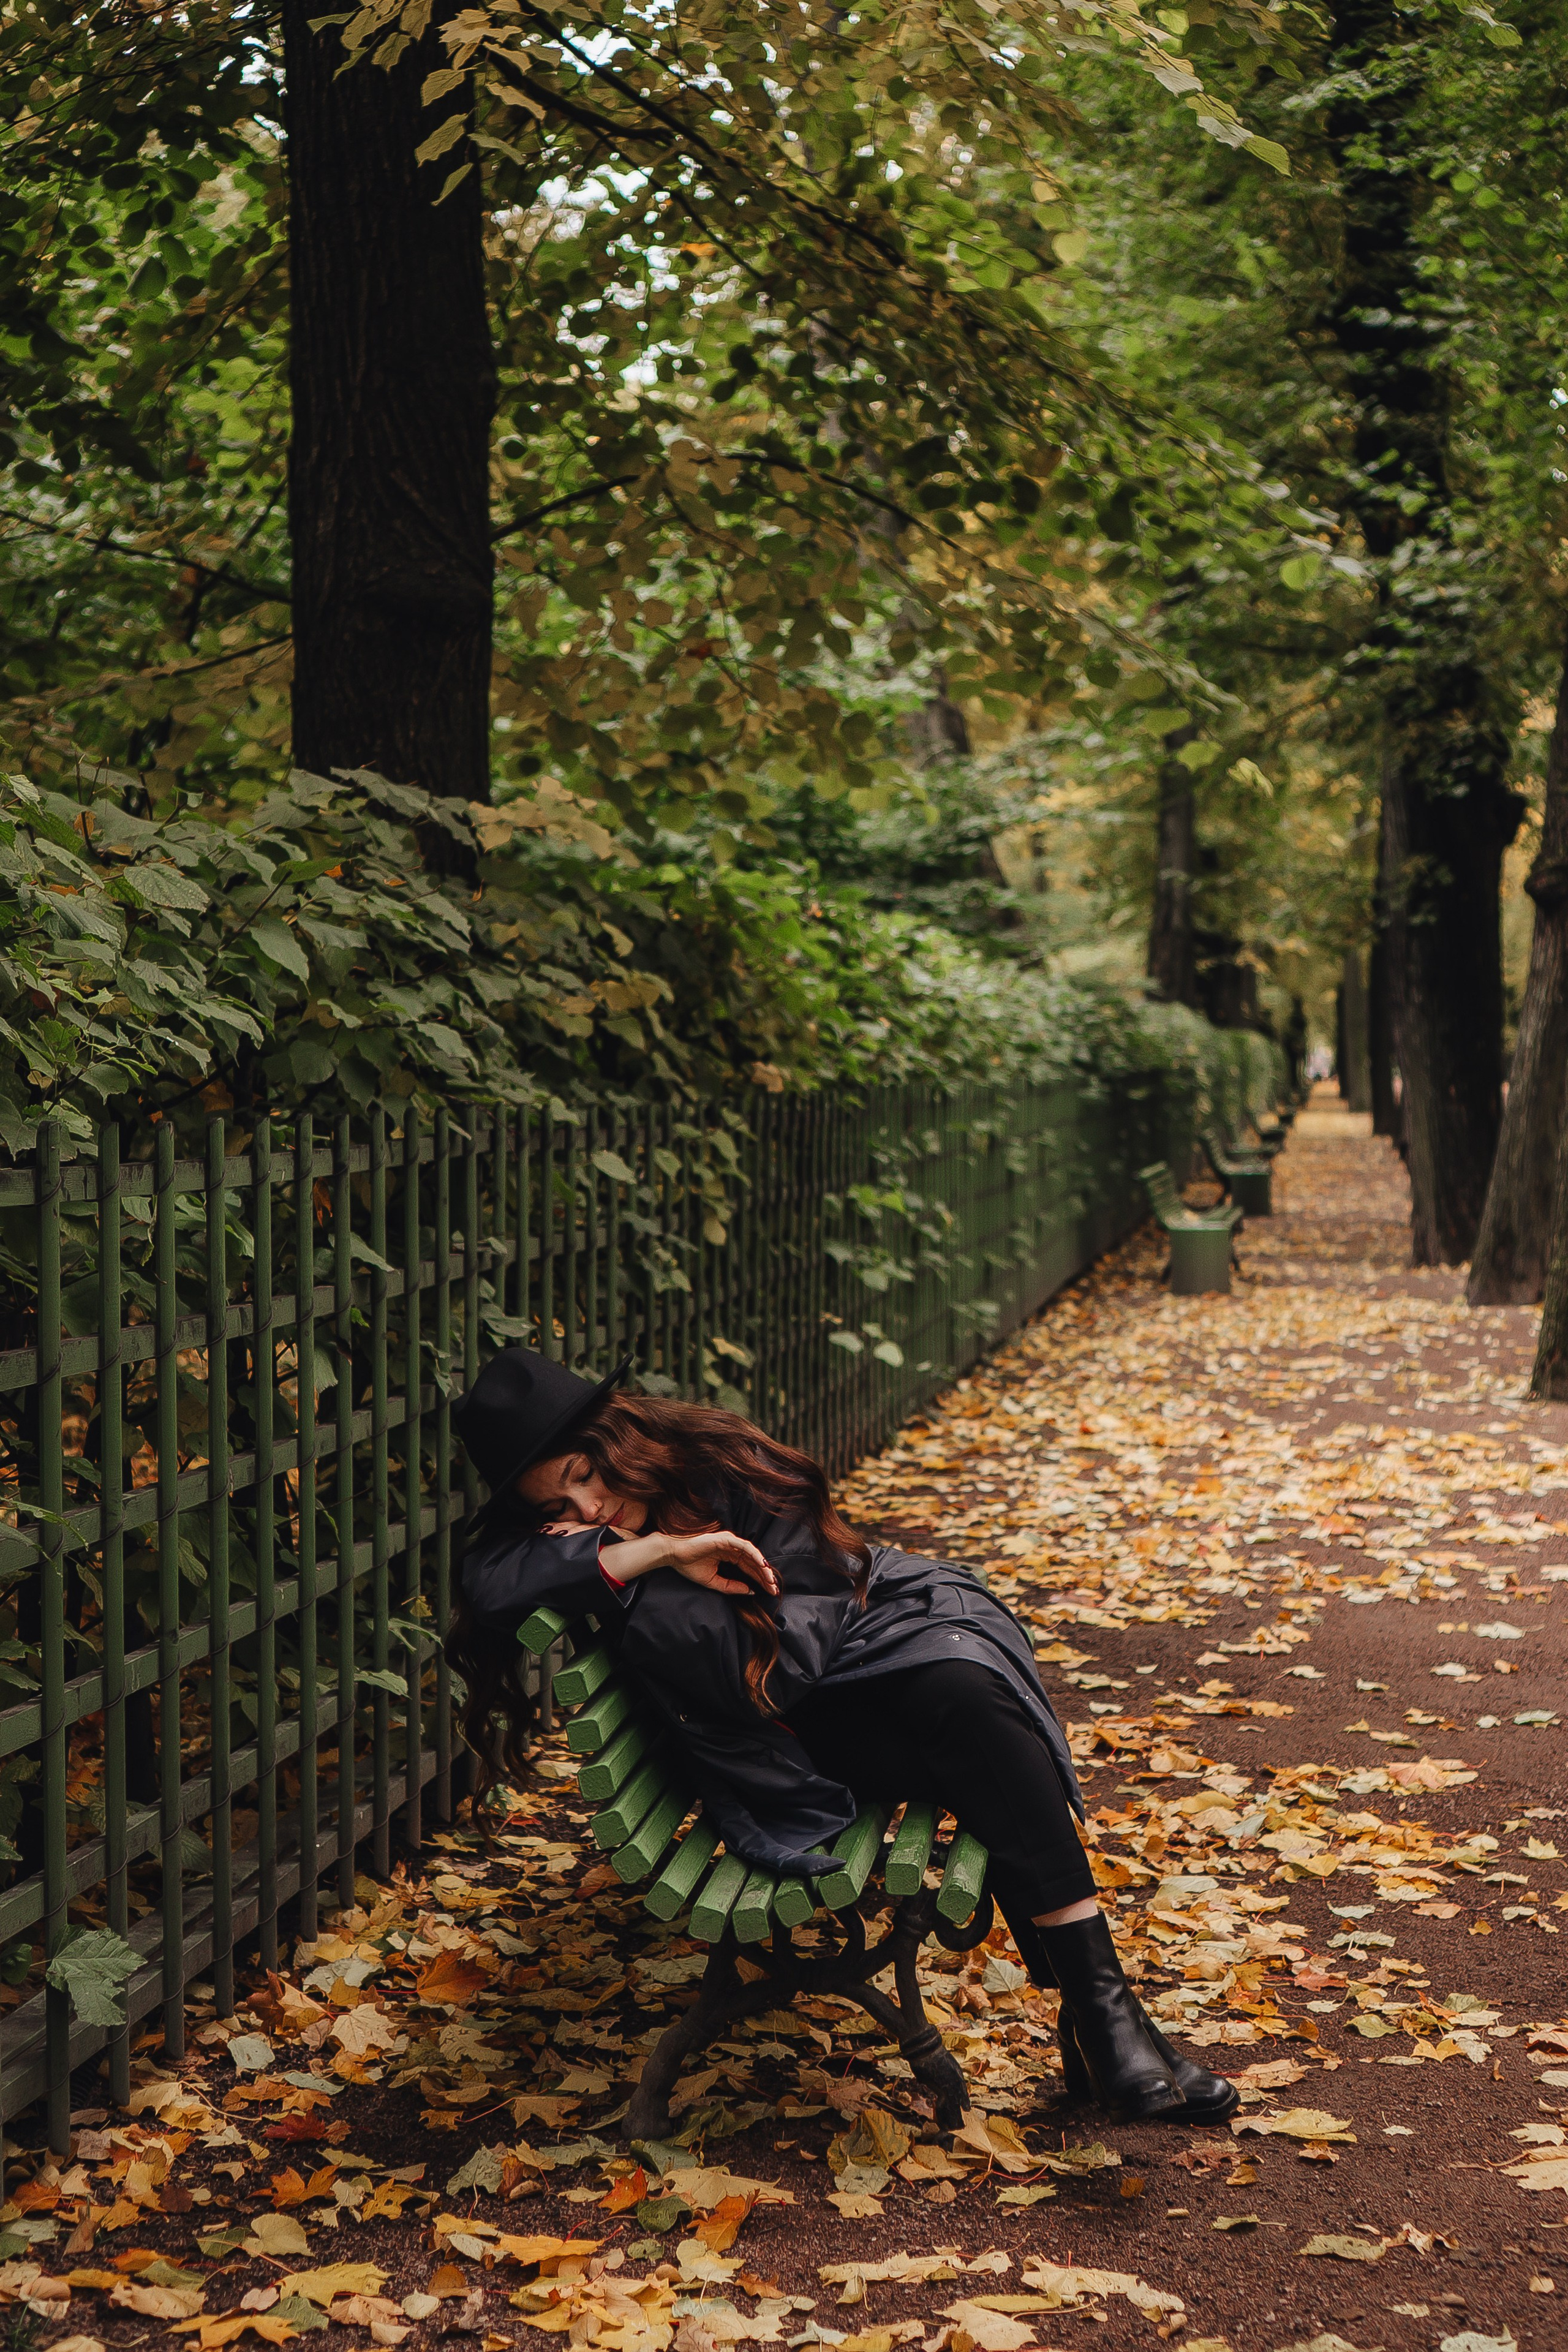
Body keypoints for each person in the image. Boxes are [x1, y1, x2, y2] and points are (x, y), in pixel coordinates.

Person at [446, 1348, 1237, 2127]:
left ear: (618, 1437)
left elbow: (802, 1632)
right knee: (986, 1742)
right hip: (792, 1741)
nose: (588, 1513)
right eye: (560, 1506)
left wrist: (645, 1568)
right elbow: (488, 1586)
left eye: (586, 1476)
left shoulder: (728, 1463)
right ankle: (1105, 2017)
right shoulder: (610, 1547)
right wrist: (656, 1555)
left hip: (848, 1666)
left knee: (968, 1698)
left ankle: (1100, 2012)